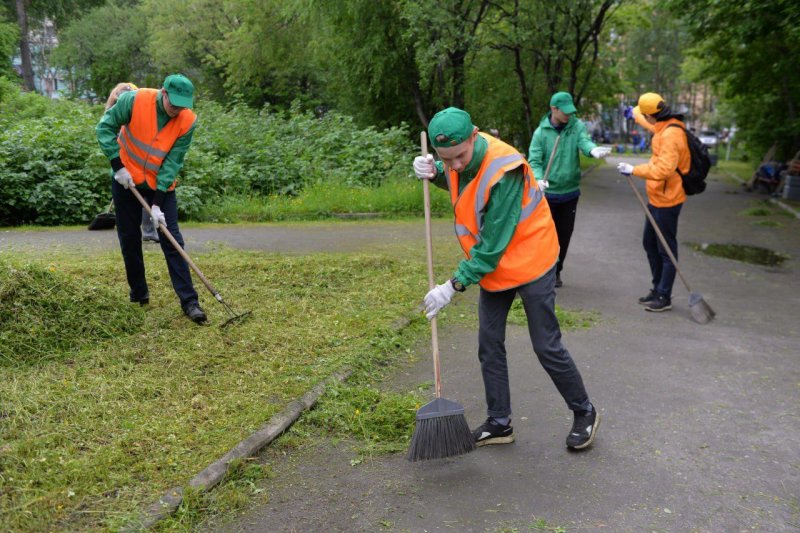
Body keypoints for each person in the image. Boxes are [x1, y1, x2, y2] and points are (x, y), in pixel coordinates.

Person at [413, 107, 600, 450]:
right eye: (446, 158)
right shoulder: (459, 158)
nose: (454, 165)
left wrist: (452, 286)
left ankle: (584, 411)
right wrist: (434, 171)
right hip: (498, 268)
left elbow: (491, 245)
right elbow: (460, 178)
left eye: (458, 157)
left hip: (531, 260)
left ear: (475, 135)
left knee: (546, 345)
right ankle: (500, 423)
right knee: (489, 344)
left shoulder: (506, 168)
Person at [96, 74, 207, 323]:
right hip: (126, 180)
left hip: (160, 184)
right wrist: (118, 166)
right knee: (129, 237)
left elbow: (173, 162)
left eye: (181, 105)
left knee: (172, 239)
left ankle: (190, 302)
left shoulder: (187, 121)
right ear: (163, 93)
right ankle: (139, 293)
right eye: (173, 104)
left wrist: (156, 203)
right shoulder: (133, 101)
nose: (176, 110)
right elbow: (104, 128)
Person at [527, 91, 610, 288]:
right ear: (553, 109)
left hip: (570, 193)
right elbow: (534, 160)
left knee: (564, 235)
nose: (568, 115)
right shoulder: (541, 133)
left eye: (570, 112)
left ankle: (556, 271)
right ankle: (541, 272)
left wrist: (592, 149)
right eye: (564, 112)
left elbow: (584, 141)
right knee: (545, 236)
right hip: (547, 194)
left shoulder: (576, 127)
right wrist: (538, 179)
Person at [616, 92, 689, 313]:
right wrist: (633, 112)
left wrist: (634, 169)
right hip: (657, 198)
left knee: (665, 248)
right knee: (650, 243)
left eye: (644, 115)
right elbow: (646, 119)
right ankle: (657, 288)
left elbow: (664, 170)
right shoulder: (663, 123)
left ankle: (664, 295)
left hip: (668, 199)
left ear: (653, 116)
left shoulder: (670, 136)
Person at [105, 82, 160, 244]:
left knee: (146, 199)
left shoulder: (137, 100)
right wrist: (119, 167)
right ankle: (143, 231)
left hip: (144, 166)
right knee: (129, 212)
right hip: (121, 164)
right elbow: (108, 134)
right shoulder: (114, 111)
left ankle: (149, 230)